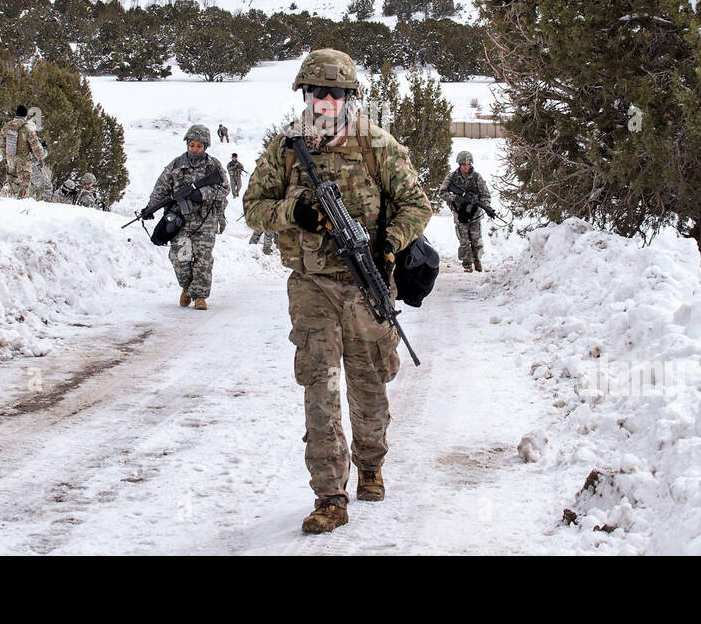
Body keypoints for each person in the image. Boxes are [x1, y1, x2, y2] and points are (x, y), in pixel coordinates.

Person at [243, 48, 431, 535]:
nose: (326, 99)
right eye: (317, 91)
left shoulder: (377, 144)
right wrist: (294, 213)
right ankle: (329, 495)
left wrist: (389, 244)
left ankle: (370, 464)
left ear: (349, 96)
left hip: (365, 284)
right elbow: (252, 207)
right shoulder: (287, 148)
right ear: (305, 95)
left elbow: (417, 205)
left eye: (336, 92)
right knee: (319, 388)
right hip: (312, 287)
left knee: (369, 384)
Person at [141, 124, 229, 310]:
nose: (195, 149)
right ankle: (187, 288)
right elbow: (162, 188)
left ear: (205, 146)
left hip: (205, 220)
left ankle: (199, 297)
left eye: (199, 146)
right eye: (192, 145)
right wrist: (150, 208)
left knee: (202, 259)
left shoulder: (213, 166)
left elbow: (224, 189)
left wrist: (203, 194)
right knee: (180, 258)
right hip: (180, 221)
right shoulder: (176, 165)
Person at [438, 150, 492, 272]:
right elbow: (442, 192)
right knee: (464, 242)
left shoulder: (477, 177)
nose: (466, 167)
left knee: (476, 241)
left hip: (475, 215)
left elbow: (486, 195)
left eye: (468, 164)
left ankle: (477, 261)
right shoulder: (452, 177)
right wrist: (456, 198)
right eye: (463, 164)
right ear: (459, 164)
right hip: (460, 213)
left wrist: (484, 206)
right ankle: (467, 265)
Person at [0, 105, 47, 199]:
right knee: (24, 183)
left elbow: (2, 144)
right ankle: (21, 203)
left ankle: (5, 197)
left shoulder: (7, 126)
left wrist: (5, 157)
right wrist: (44, 153)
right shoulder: (27, 128)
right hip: (23, 160)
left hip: (10, 158)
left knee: (10, 179)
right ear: (25, 116)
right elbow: (36, 147)